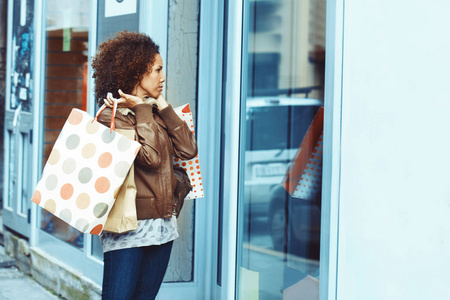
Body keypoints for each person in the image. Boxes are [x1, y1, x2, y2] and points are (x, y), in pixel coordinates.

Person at [91, 30, 198, 300]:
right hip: (128, 227)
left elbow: (188, 149)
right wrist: (141, 109)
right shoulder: (111, 118)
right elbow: (151, 159)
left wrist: (160, 104)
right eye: (157, 70)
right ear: (137, 71)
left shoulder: (156, 113)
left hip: (162, 225)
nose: (163, 78)